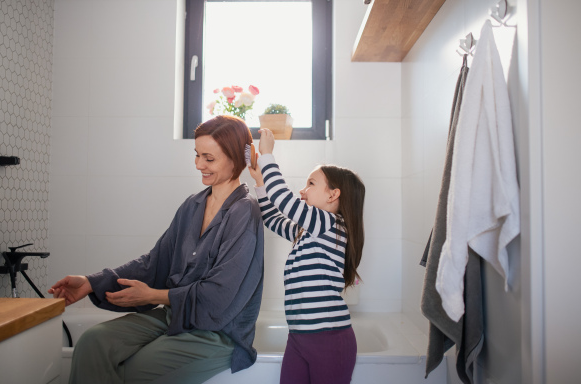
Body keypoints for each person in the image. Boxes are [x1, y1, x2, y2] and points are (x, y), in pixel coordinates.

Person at [49, 115, 265, 384]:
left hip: (218, 332)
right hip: (173, 316)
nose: (199, 165)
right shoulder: (192, 205)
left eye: (209, 159)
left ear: (236, 158)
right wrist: (91, 283)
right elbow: (155, 263)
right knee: (92, 342)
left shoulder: (245, 211)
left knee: (137, 368)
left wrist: (153, 295)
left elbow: (221, 294)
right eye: (197, 155)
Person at [248, 128, 366, 384]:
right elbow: (272, 219)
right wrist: (260, 183)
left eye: (311, 184)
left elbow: (283, 199)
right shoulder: (309, 231)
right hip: (299, 336)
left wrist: (267, 155)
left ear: (333, 195)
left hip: (330, 339)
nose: (302, 190)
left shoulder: (329, 224)